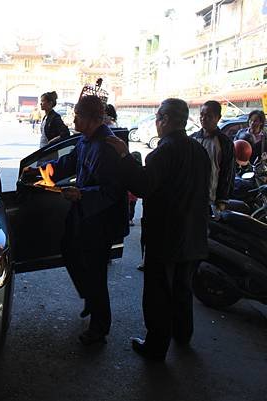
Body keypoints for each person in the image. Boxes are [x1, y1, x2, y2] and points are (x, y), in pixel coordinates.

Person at [107, 98, 210, 361]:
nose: (156, 123)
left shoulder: (163, 152)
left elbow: (142, 185)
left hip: (165, 235)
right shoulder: (199, 151)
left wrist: (124, 156)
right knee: (183, 287)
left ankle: (156, 346)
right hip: (194, 232)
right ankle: (183, 334)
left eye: (157, 118)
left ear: (164, 119)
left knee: (158, 292)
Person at [46, 95, 129, 345]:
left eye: (78, 115)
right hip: (83, 213)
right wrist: (42, 170)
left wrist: (82, 194)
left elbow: (113, 191)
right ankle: (90, 298)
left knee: (96, 272)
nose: (74, 119)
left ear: (92, 119)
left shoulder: (108, 145)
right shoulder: (85, 140)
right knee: (68, 248)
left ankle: (99, 327)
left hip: (100, 219)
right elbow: (67, 163)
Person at [190, 100, 235, 210]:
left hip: (211, 200)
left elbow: (228, 172)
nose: (203, 118)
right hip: (190, 196)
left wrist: (222, 200)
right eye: (202, 115)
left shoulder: (224, 143)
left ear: (218, 117)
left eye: (209, 116)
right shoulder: (192, 139)